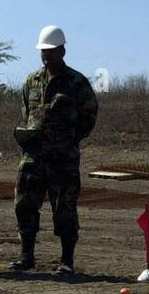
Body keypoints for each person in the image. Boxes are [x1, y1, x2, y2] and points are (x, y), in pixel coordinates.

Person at [8, 25, 98, 275]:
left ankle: (66, 261)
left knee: (64, 209)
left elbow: (89, 118)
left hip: (63, 159)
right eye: (42, 52)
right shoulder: (31, 81)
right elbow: (27, 113)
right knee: (24, 205)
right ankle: (26, 257)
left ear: (62, 51)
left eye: (50, 51)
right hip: (33, 157)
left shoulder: (77, 82)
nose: (45, 56)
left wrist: (67, 140)